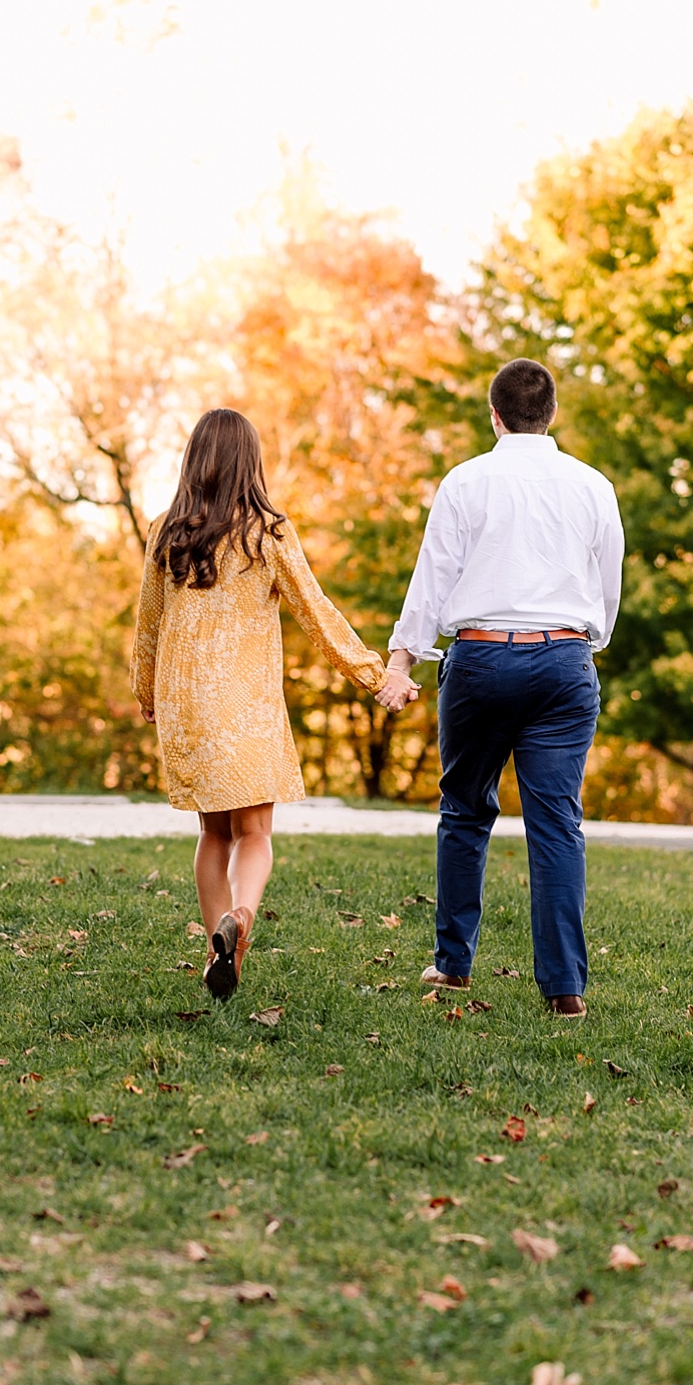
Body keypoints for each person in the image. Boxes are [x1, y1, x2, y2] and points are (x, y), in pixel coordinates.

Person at [131, 407, 416, 999]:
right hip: (244, 701)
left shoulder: (165, 530)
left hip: (184, 697)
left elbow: (148, 625)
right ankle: (243, 920)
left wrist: (145, 690)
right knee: (255, 832)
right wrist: (373, 674)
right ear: (249, 464)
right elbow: (317, 614)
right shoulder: (267, 530)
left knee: (213, 834)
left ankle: (218, 952)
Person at [382, 357, 623, 1019]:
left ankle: (453, 965)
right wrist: (577, 647)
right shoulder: (593, 486)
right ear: (551, 417)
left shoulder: (465, 482)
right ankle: (565, 989)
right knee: (556, 825)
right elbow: (607, 591)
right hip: (565, 661)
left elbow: (431, 580)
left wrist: (402, 661)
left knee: (464, 809)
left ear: (494, 414)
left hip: (482, 661)